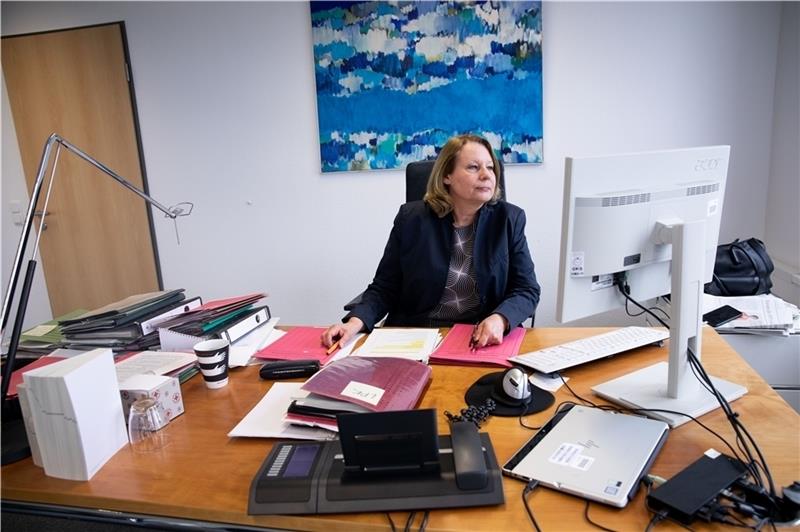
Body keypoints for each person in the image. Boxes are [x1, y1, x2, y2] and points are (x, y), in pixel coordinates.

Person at [321, 134, 540, 350]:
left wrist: (500, 319)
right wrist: (354, 323)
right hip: (415, 338)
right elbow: (385, 287)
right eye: (474, 167)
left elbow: (527, 288)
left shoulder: (509, 220)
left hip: (479, 339)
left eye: (490, 168)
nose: (486, 175)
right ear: (447, 176)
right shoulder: (411, 220)